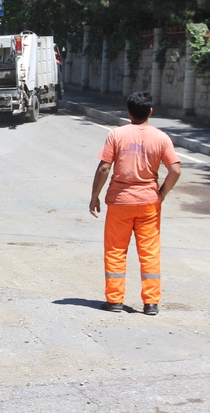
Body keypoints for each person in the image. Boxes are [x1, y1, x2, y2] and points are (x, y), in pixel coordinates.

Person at [89, 92, 181, 316]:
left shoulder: (116, 135)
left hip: (119, 203)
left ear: (128, 112)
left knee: (115, 250)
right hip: (149, 203)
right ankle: (151, 303)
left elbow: (104, 168)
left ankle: (115, 301)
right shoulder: (161, 138)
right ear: (150, 112)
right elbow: (175, 170)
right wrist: (161, 193)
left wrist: (95, 196)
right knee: (149, 252)